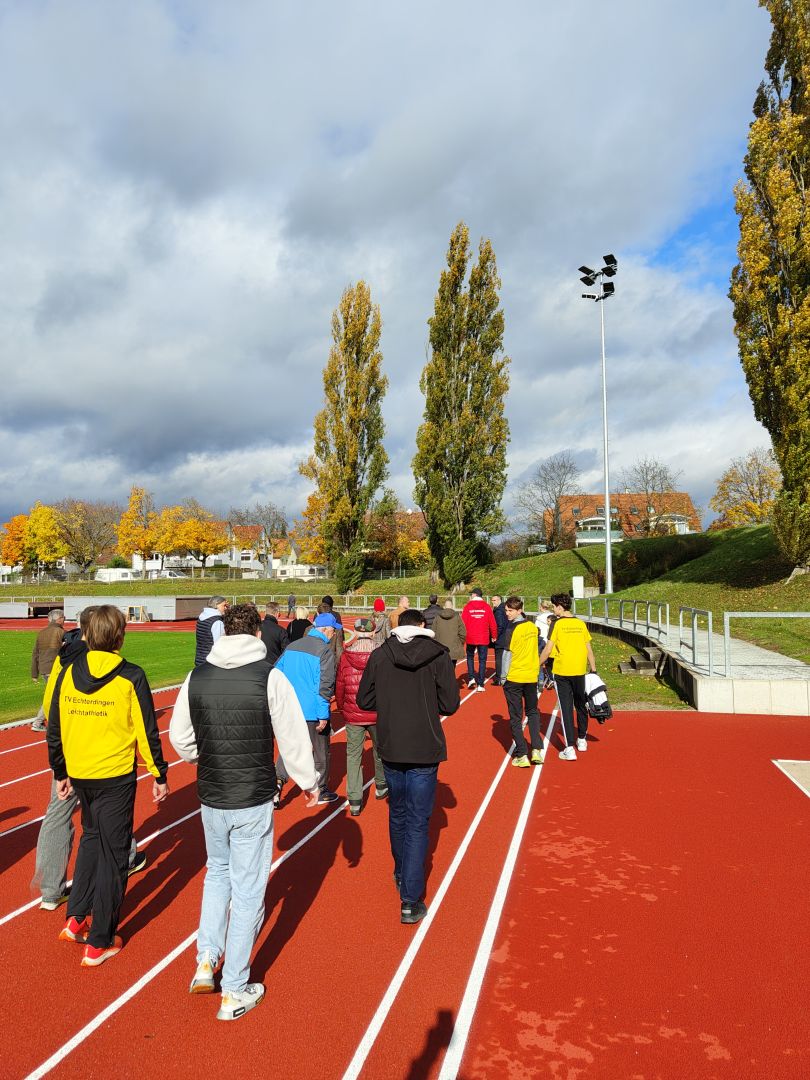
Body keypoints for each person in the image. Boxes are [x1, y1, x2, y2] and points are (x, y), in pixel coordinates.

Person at [169, 603, 319, 1021]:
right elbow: (292, 736)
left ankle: (206, 959)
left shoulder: (197, 676)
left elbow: (180, 737)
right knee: (249, 889)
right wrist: (308, 781)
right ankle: (234, 987)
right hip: (252, 796)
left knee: (217, 874)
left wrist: (203, 757)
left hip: (211, 796)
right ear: (256, 634)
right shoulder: (270, 677)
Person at [47, 605, 169, 967]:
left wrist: (60, 771)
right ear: (120, 636)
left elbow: (55, 727)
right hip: (114, 777)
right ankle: (100, 940)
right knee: (114, 857)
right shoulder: (131, 676)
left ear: (87, 634)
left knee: (91, 838)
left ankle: (76, 917)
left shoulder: (68, 672)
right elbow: (146, 730)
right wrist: (159, 773)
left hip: (81, 774)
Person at [32, 606, 145, 911]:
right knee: (110, 808)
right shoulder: (102, 661)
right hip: (98, 753)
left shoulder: (65, 657)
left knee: (59, 814)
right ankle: (123, 858)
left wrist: (61, 747)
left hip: (69, 750)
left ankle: (50, 890)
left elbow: (50, 704)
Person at [357, 609, 460, 925]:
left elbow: (364, 700)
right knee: (416, 821)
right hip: (424, 747)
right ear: (422, 626)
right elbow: (450, 704)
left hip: (391, 745)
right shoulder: (437, 655)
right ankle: (410, 899)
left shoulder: (380, 655)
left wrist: (391, 701)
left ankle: (402, 873)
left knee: (398, 813)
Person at [274, 612, 339, 804]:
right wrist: (323, 714)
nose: (334, 634)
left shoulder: (292, 646)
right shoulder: (325, 651)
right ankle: (321, 789)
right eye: (333, 630)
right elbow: (324, 685)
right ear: (325, 629)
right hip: (312, 711)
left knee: (290, 748)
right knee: (320, 751)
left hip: (291, 709)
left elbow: (276, 672)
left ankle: (278, 781)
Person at [335, 618, 387, 816]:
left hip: (353, 712)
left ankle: (355, 799)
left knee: (353, 756)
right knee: (380, 750)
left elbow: (340, 685)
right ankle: (381, 784)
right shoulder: (382, 654)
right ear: (373, 633)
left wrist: (343, 708)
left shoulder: (346, 655)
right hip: (377, 712)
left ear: (356, 633)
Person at [538, 593, 597, 760]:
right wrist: (593, 669)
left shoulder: (556, 624)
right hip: (580, 671)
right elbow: (588, 649)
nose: (553, 610)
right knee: (581, 705)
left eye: (554, 607)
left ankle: (569, 748)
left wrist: (536, 664)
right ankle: (582, 739)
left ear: (559, 607)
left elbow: (548, 649)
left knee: (566, 708)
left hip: (562, 672)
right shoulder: (580, 623)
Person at [500, 597, 545, 768]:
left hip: (515, 677)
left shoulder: (511, 628)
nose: (507, 614)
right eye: (506, 610)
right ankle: (536, 749)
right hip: (531, 676)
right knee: (532, 712)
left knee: (516, 716)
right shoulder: (532, 627)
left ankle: (522, 754)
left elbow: (507, 654)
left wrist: (503, 677)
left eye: (510, 611)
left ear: (520, 610)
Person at [31, 609, 66, 731]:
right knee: (53, 696)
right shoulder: (61, 633)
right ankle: (39, 722)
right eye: (63, 617)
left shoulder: (41, 633)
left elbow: (35, 654)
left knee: (53, 695)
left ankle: (47, 721)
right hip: (55, 670)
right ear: (59, 619)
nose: (64, 619)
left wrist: (34, 673)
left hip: (44, 669)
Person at [461, 588, 497, 692]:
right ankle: (480, 684)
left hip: (470, 637)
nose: (470, 596)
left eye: (471, 594)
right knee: (482, 660)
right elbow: (492, 622)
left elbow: (463, 622)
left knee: (470, 657)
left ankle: (471, 678)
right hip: (483, 637)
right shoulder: (487, 607)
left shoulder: (468, 606)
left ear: (474, 595)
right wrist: (494, 635)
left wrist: (462, 636)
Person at [195, 596, 229, 666]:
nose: (226, 608)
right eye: (224, 605)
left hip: (201, 657)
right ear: (217, 605)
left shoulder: (202, 616)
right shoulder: (217, 622)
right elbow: (219, 644)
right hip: (211, 661)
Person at [260, 601, 289, 666]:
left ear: (265, 613)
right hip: (274, 665)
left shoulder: (256, 627)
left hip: (258, 664)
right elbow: (286, 652)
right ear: (277, 613)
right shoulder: (281, 630)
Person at [535, 599, 555, 689]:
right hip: (551, 641)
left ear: (541, 607)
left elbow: (536, 630)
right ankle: (552, 677)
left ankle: (540, 680)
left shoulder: (539, 618)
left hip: (541, 641)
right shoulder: (553, 617)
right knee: (551, 662)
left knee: (540, 661)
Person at [318, 596, 345, 661]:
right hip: (332, 647)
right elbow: (340, 629)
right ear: (332, 604)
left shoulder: (317, 615)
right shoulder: (336, 615)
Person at [491, 595, 508, 685]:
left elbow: (500, 625)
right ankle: (504, 677)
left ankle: (499, 679)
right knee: (505, 659)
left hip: (501, 639)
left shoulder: (499, 611)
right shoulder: (505, 609)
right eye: (492, 600)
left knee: (499, 659)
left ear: (499, 600)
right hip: (506, 637)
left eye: (494, 600)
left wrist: (495, 636)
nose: (493, 602)